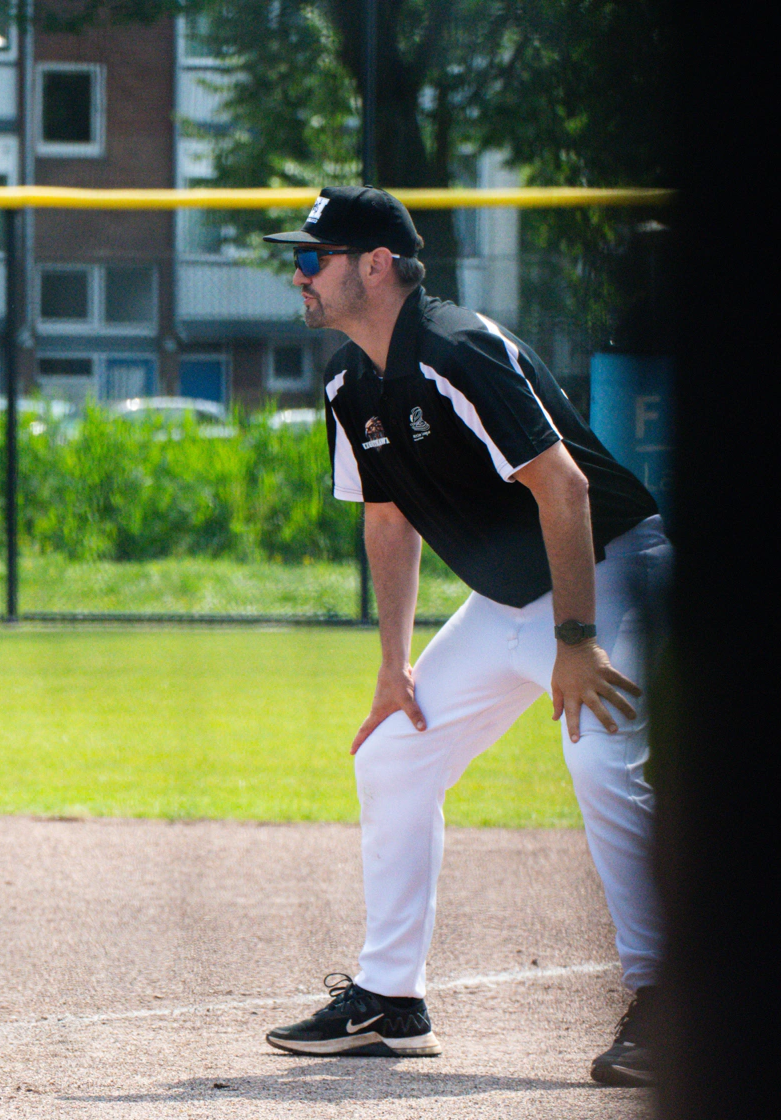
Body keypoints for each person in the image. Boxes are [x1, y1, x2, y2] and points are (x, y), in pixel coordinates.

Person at [258, 187, 668, 1088]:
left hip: (610, 573)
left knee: (602, 763)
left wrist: (575, 640)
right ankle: (390, 1001)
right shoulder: (349, 382)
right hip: (509, 602)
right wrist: (392, 668)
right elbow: (387, 518)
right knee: (394, 754)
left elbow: (565, 489)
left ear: (375, 265)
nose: (298, 274)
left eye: (312, 258)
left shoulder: (457, 348)